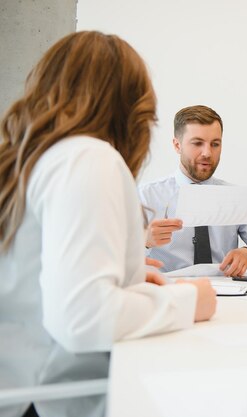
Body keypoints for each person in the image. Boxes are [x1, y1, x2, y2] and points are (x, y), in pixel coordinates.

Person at [0, 31, 217, 417]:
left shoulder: (31, 159)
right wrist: (187, 300)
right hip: (52, 399)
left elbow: (41, 279)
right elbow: (83, 318)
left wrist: (124, 279)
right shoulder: (87, 157)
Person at [138, 105, 247, 277]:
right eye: (197, 143)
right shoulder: (145, 196)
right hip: (169, 292)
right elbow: (114, 259)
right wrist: (143, 242)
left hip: (229, 295)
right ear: (177, 145)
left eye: (215, 144)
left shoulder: (236, 197)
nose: (207, 153)